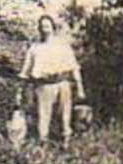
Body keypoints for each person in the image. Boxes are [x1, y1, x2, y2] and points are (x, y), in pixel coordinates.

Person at [19, 15, 86, 143]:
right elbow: (25, 73)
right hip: (43, 86)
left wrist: (80, 88)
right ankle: (43, 145)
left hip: (62, 84)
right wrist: (21, 91)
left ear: (53, 28)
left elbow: (74, 68)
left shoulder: (62, 46)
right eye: (43, 27)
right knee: (43, 118)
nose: (45, 30)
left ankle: (66, 144)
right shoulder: (34, 48)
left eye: (48, 26)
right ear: (39, 29)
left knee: (64, 117)